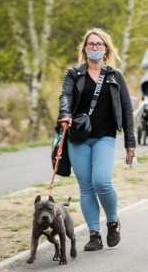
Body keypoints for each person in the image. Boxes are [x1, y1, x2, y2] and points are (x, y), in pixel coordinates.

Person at [57, 28, 136, 251]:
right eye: (90, 44)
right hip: (78, 137)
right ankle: (94, 234)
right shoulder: (74, 74)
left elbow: (127, 110)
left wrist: (130, 143)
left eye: (98, 44)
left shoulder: (115, 76)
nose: (94, 48)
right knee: (85, 186)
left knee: (101, 181)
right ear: (84, 48)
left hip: (105, 136)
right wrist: (65, 114)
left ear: (106, 48)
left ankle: (112, 221)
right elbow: (66, 96)